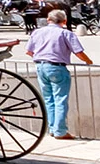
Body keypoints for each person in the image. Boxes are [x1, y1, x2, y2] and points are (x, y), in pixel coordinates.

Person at [25, 9, 93, 141]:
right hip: (57, 67)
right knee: (60, 100)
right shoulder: (65, 33)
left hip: (40, 66)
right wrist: (88, 61)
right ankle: (60, 131)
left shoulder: (37, 32)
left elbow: (28, 51)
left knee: (48, 99)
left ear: (48, 20)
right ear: (64, 21)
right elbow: (78, 52)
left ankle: (52, 128)